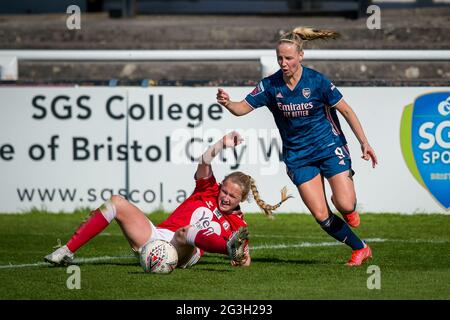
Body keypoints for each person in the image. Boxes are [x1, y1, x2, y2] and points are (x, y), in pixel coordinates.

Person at [216, 27, 378, 267]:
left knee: (344, 204)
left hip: (328, 145)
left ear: (300, 56)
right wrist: (228, 103)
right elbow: (242, 108)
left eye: (288, 58)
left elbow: (345, 110)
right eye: (280, 58)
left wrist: (364, 142)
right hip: (298, 156)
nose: (283, 63)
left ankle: (348, 207)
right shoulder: (270, 86)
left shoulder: (316, 81)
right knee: (322, 215)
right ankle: (360, 248)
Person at [44, 132, 291, 269]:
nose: (225, 197)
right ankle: (67, 251)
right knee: (117, 202)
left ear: (242, 199)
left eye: (232, 196)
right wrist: (221, 144)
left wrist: (239, 257)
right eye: (224, 191)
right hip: (158, 238)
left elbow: (246, 260)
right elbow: (205, 160)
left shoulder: (237, 225)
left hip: (187, 251)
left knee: (187, 232)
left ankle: (223, 249)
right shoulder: (207, 189)